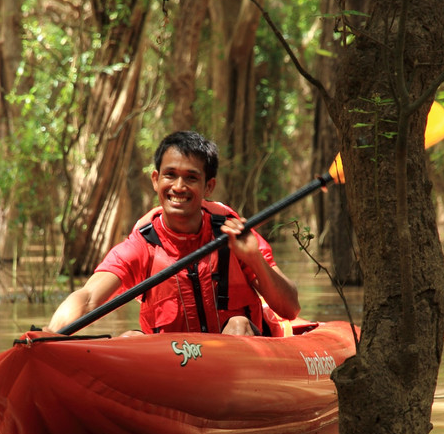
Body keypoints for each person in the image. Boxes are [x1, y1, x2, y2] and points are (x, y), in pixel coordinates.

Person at [45, 131, 301, 336]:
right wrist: (50, 335)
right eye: (170, 175)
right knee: (130, 340)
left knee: (237, 324)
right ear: (156, 180)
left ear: (208, 186)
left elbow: (290, 308)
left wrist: (254, 258)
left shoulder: (234, 234)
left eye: (191, 178)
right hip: (177, 364)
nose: (178, 187)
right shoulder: (141, 245)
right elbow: (88, 298)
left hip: (240, 351)